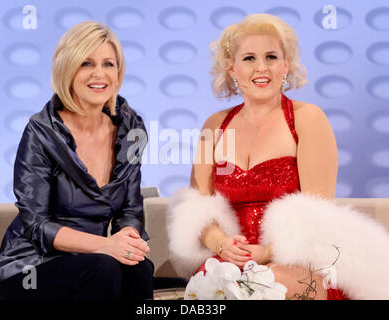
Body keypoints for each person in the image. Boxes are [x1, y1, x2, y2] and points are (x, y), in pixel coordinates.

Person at [167, 14, 389, 300]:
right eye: (249, 58)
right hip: (231, 261)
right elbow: (196, 212)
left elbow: (317, 217)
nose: (261, 67)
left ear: (286, 65)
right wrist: (222, 244)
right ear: (232, 68)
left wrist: (267, 252)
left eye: (271, 56)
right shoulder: (214, 125)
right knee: (211, 292)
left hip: (297, 259)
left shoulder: (308, 119)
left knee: (257, 290)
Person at [0, 21, 154, 300]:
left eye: (108, 64)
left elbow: (130, 208)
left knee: (139, 268)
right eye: (86, 64)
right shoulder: (41, 132)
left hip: (97, 260)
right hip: (29, 266)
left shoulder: (131, 127)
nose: (99, 74)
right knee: (104, 268)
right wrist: (106, 245)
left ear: (118, 71)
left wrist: (126, 238)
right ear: (67, 69)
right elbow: (36, 225)